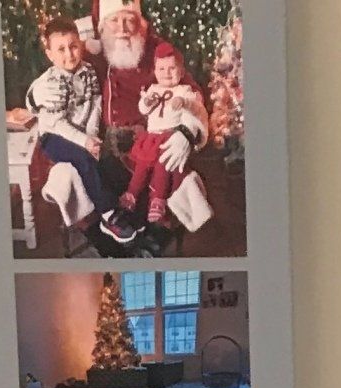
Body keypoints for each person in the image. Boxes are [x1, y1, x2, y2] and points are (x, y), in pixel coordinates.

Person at [98, 41, 209, 246]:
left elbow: (195, 110)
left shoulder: (185, 90)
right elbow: (143, 107)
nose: (167, 73)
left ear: (181, 70)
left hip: (168, 137)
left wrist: (183, 105)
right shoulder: (153, 88)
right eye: (161, 69)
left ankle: (158, 201)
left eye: (172, 68)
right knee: (142, 165)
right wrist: (146, 102)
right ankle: (131, 195)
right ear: (155, 71)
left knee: (162, 166)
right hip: (148, 137)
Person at [24, 18, 103, 252]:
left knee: (102, 162)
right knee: (84, 160)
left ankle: (103, 228)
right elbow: (56, 124)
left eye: (73, 46)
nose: (69, 54)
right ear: (49, 54)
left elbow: (96, 103)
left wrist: (92, 135)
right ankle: (104, 212)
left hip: (83, 134)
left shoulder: (88, 71)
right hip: (55, 136)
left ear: (81, 43)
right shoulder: (51, 85)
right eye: (61, 49)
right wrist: (85, 142)